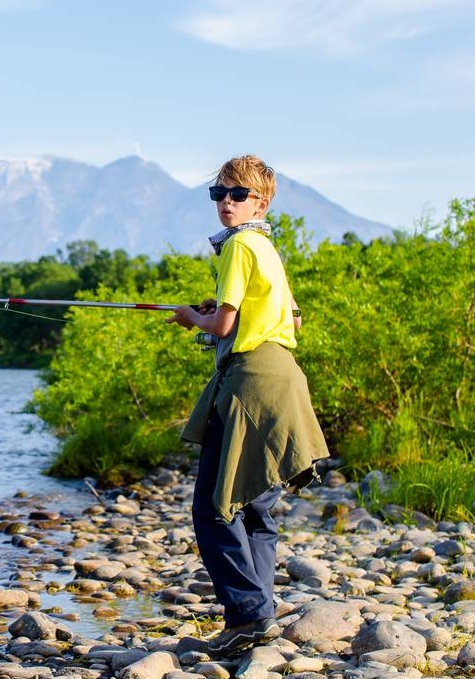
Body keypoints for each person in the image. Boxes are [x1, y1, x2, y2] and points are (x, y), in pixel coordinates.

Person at [165, 154, 329, 656]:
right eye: (219, 194)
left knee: (215, 507)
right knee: (256, 506)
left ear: (262, 201)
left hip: (252, 382)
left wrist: (193, 316)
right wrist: (224, 312)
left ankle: (248, 616)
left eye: (238, 195)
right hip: (286, 379)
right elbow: (293, 321)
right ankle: (258, 614)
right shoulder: (268, 248)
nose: (226, 204)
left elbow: (223, 328)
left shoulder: (238, 246)